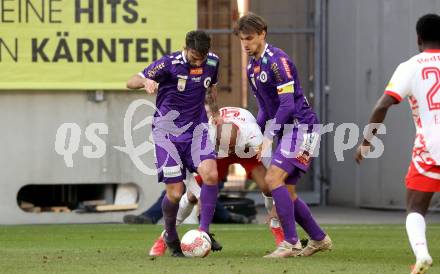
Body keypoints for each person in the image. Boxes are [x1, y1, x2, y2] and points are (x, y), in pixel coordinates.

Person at [234, 13, 332, 258]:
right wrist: (255, 135)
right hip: (287, 131)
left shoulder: (278, 61)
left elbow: (287, 105)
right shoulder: (252, 67)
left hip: (302, 127)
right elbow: (267, 108)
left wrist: (269, 136)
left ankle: (290, 242)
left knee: (273, 178)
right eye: (241, 39)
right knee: (286, 191)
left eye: (249, 38)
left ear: (262, 34)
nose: (245, 43)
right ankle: (319, 239)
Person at [355, 13, 440, 274]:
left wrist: (367, 141)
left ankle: (422, 255)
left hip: (430, 145)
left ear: (418, 39)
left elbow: (383, 104)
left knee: (415, 208)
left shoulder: (410, 66)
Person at [126, 30, 221, 257]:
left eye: (202, 57)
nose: (198, 61)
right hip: (167, 133)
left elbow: (211, 87)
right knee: (175, 193)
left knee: (211, 175)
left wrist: (215, 112)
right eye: (194, 56)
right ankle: (170, 233)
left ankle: (204, 232)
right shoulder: (168, 64)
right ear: (185, 47)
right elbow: (130, 81)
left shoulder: (213, 61)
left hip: (197, 130)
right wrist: (146, 80)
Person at [149, 106, 271, 256]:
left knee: (268, 186)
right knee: (191, 196)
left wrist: (277, 200)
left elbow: (272, 170)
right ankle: (165, 237)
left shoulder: (253, 134)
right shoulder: (205, 133)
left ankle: (280, 233)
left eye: (231, 148)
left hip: (246, 152)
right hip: (216, 153)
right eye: (225, 147)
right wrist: (199, 195)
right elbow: (187, 174)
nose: (229, 152)